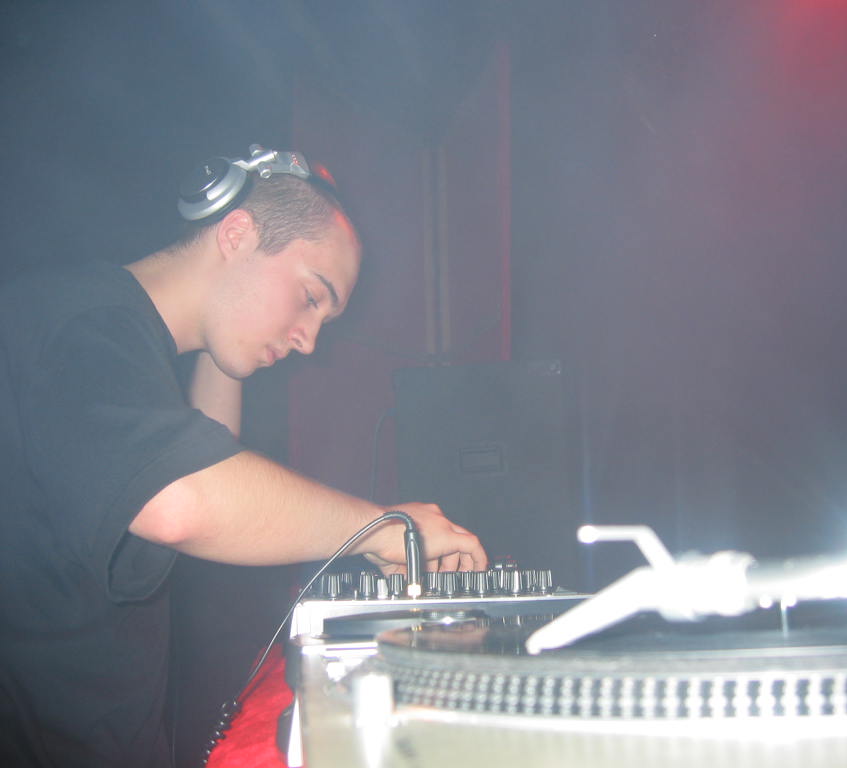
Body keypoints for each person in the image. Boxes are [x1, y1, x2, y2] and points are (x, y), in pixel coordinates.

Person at [0, 147, 487, 768]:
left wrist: (225, 341)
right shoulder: (79, 322)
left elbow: (207, 453)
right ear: (235, 233)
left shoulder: (128, 343)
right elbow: (179, 499)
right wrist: (386, 528)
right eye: (311, 297)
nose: (309, 341)